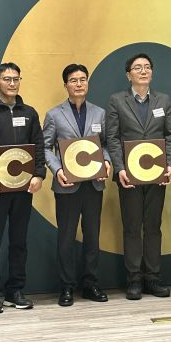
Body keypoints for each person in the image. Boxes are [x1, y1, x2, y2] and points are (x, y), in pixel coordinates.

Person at [0, 62, 45, 314]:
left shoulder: (30, 113)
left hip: (23, 189)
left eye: (16, 79)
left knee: (19, 242)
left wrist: (39, 174)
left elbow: (39, 146)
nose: (12, 83)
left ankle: (15, 290)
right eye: (7, 79)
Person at [106, 53, 171, 300]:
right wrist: (120, 169)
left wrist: (169, 164)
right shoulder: (117, 100)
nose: (143, 71)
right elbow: (112, 138)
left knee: (154, 227)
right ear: (129, 75)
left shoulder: (163, 100)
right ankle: (134, 279)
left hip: (157, 173)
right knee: (133, 227)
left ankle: (153, 278)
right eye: (138, 68)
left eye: (147, 67)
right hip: (129, 175)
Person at [43, 64, 111, 307]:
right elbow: (45, 147)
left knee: (92, 236)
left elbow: (105, 144)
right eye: (74, 80)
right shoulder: (54, 114)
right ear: (66, 85)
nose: (79, 84)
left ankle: (91, 283)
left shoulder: (99, 113)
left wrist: (106, 161)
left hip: (93, 184)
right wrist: (57, 170)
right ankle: (67, 286)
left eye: (83, 79)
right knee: (66, 237)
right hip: (67, 184)